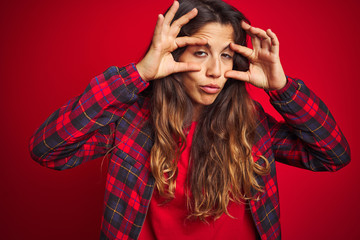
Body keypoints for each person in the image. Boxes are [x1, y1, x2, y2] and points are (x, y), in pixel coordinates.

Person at [29, 0, 351, 239]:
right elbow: (47, 149)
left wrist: (282, 88)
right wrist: (138, 73)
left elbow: (333, 154)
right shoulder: (131, 123)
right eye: (200, 52)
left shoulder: (250, 124)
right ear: (173, 54)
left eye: (225, 54)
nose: (215, 70)